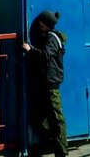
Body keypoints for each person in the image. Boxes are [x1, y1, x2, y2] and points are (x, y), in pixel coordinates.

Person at [22, 10, 68, 157]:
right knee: (39, 119)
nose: (39, 25)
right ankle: (54, 143)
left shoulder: (52, 38)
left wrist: (30, 50)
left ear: (46, 24)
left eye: (42, 23)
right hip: (45, 83)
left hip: (51, 84)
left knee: (56, 118)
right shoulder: (48, 36)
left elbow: (46, 55)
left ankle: (61, 151)